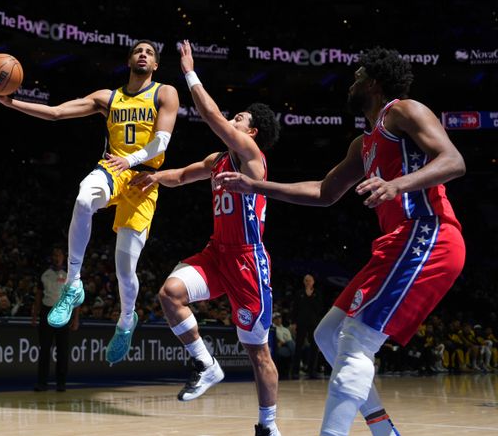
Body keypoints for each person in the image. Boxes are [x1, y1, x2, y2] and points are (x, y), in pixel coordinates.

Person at [219, 47, 466, 436]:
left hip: (428, 231)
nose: (352, 80)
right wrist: (255, 185)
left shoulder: (404, 111)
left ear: (375, 82)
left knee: (354, 342)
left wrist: (395, 184)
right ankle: (384, 430)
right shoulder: (362, 144)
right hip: (398, 241)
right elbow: (323, 191)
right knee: (327, 335)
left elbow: (453, 160)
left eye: (358, 74)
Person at [0, 40, 179, 365]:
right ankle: (74, 284)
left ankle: (126, 319)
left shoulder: (165, 92)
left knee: (125, 269)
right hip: (113, 168)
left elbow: (160, 143)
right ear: (129, 60)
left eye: (149, 52)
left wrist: (131, 161)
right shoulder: (109, 97)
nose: (143, 54)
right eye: (138, 51)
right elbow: (57, 112)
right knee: (84, 196)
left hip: (144, 179)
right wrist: (10, 102)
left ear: (156, 65)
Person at [131, 40, 282, 436]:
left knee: (258, 352)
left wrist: (189, 71)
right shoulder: (218, 161)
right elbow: (181, 176)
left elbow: (212, 114)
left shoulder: (251, 156)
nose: (233, 119)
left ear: (252, 131)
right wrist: (152, 177)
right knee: (170, 294)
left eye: (241, 116)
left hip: (248, 261)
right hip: (218, 254)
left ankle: (268, 425)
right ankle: (206, 365)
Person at [32, 246, 79, 391]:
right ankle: (42, 382)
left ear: (63, 258)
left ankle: (61, 383)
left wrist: (76, 318)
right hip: (46, 313)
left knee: (62, 350)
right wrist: (35, 315)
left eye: (59, 255)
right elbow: (38, 296)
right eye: (54, 255)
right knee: (44, 349)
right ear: (51, 257)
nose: (56, 257)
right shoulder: (44, 274)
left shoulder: (69, 275)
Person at [291, 273, 324, 379]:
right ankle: (295, 370)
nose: (308, 282)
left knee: (314, 347)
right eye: (306, 280)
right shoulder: (299, 293)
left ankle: (312, 371)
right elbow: (295, 308)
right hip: (301, 323)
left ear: (313, 282)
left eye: (309, 280)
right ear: (303, 282)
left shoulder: (317, 294)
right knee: (298, 346)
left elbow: (320, 309)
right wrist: (294, 322)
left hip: (314, 323)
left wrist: (310, 297)